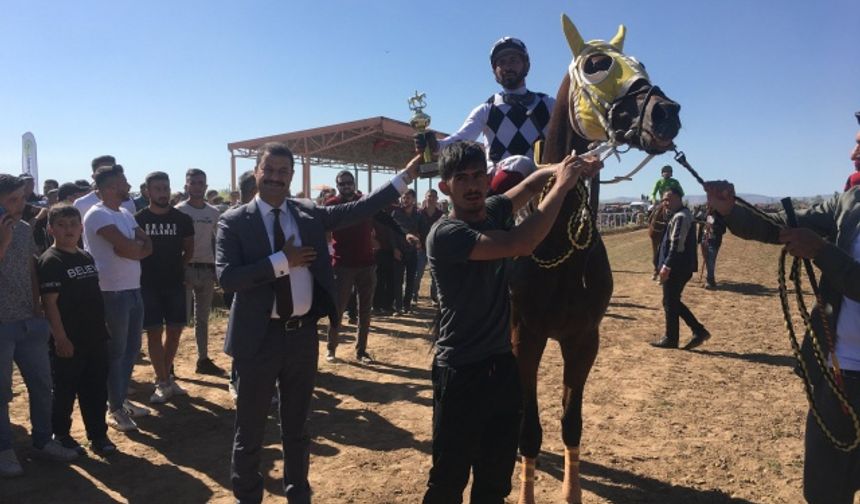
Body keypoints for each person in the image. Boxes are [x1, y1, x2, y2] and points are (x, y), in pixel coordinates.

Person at [217, 142, 420, 503]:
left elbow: (361, 208)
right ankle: (247, 496)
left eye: (283, 171)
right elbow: (228, 278)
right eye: (270, 170)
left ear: (292, 176)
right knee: (249, 432)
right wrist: (282, 260)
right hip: (257, 340)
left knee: (297, 428)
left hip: (301, 338)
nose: (276, 177)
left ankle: (299, 494)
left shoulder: (309, 213)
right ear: (257, 173)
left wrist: (403, 179)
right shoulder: (234, 221)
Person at [423, 141, 600, 503]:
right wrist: (564, 186)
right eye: (461, 179)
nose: (471, 185)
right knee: (448, 481)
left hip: (502, 369)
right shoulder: (446, 235)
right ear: (445, 187)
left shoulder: (492, 209)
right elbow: (522, 242)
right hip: (460, 371)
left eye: (477, 176)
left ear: (488, 179)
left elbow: (533, 185)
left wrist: (568, 168)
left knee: (495, 481)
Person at [705, 135, 860, 504]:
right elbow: (776, 225)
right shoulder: (848, 204)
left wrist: (822, 251)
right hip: (836, 375)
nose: (853, 154)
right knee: (824, 492)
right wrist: (731, 210)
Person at [0, 175, 81, 477]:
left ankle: (43, 441)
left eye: (22, 198)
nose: (21, 205)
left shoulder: (24, 229)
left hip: (29, 321)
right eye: (13, 200)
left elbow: (31, 267)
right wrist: (3, 242)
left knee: (42, 385)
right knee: (2, 393)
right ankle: (5, 450)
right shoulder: (9, 232)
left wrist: (38, 306)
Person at [417, 37, 555, 192]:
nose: (507, 66)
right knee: (520, 163)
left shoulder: (548, 104)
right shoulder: (486, 109)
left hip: (542, 184)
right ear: (494, 71)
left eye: (513, 60)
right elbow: (460, 139)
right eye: (501, 63)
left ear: (526, 65)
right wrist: (434, 145)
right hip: (500, 188)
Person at [37, 204, 116, 456]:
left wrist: (102, 327)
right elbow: (49, 304)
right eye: (61, 225)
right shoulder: (51, 260)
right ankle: (60, 434)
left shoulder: (85, 256)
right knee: (65, 390)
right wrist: (60, 338)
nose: (68, 230)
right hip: (69, 339)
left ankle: (98, 435)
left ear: (81, 227)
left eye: (73, 224)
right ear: (51, 229)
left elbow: (92, 296)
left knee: (95, 389)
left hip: (94, 337)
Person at [83, 165, 153, 432]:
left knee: (131, 349)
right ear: (111, 187)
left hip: (133, 289)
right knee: (116, 352)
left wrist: (136, 249)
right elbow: (128, 248)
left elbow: (145, 245)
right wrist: (136, 248)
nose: (128, 185)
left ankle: (120, 400)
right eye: (123, 182)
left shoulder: (125, 212)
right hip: (111, 292)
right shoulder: (98, 215)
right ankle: (114, 408)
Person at [135, 172, 195, 403]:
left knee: (175, 331)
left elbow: (188, 250)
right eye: (158, 188)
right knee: (154, 333)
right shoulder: (138, 219)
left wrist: (179, 269)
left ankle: (165, 377)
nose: (163, 193)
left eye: (166, 188)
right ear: (147, 192)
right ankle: (162, 381)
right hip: (147, 284)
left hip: (174, 283)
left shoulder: (182, 219)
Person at [324, 170, 380, 363]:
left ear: (354, 183)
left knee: (365, 311)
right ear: (337, 186)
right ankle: (331, 348)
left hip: (367, 264)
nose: (346, 186)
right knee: (337, 309)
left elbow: (380, 223)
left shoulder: (364, 202)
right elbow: (325, 232)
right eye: (342, 183)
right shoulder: (331, 205)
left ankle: (361, 351)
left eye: (349, 182)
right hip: (342, 265)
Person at [176, 168, 225, 376]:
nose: (197, 186)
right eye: (193, 182)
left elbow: (219, 241)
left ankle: (202, 359)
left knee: (202, 319)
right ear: (186, 185)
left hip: (206, 269)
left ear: (205, 186)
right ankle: (169, 365)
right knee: (178, 320)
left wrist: (218, 269)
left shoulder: (213, 212)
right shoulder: (179, 211)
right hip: (185, 270)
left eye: (200, 183)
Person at [651, 188, 711, 350]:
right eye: (664, 200)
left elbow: (676, 244)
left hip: (677, 267)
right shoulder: (678, 215)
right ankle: (697, 331)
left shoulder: (681, 217)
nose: (665, 203)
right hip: (679, 266)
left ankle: (674, 337)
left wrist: (666, 265)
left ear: (678, 198)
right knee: (671, 301)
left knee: (670, 302)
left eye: (668, 199)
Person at [391, 189, 425, 314]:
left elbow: (422, 231)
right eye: (404, 197)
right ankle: (398, 307)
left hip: (412, 252)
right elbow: (392, 233)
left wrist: (420, 243)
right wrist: (394, 248)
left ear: (414, 199)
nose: (405, 200)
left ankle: (407, 306)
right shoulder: (395, 214)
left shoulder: (419, 215)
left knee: (411, 280)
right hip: (399, 251)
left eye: (408, 198)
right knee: (398, 280)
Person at [415, 189, 444, 304]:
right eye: (429, 196)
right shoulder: (419, 213)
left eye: (433, 196)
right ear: (425, 198)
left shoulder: (441, 215)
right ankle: (414, 296)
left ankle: (434, 297)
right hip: (421, 248)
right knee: (418, 274)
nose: (431, 198)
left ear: (436, 199)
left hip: (435, 250)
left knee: (435, 275)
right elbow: (415, 229)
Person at [700, 205, 726, 289]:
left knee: (710, 260)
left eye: (710, 206)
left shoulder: (720, 216)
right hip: (705, 239)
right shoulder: (706, 214)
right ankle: (709, 279)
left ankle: (710, 281)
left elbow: (723, 230)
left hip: (713, 241)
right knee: (707, 260)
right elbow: (701, 223)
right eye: (708, 205)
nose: (708, 207)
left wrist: (713, 227)